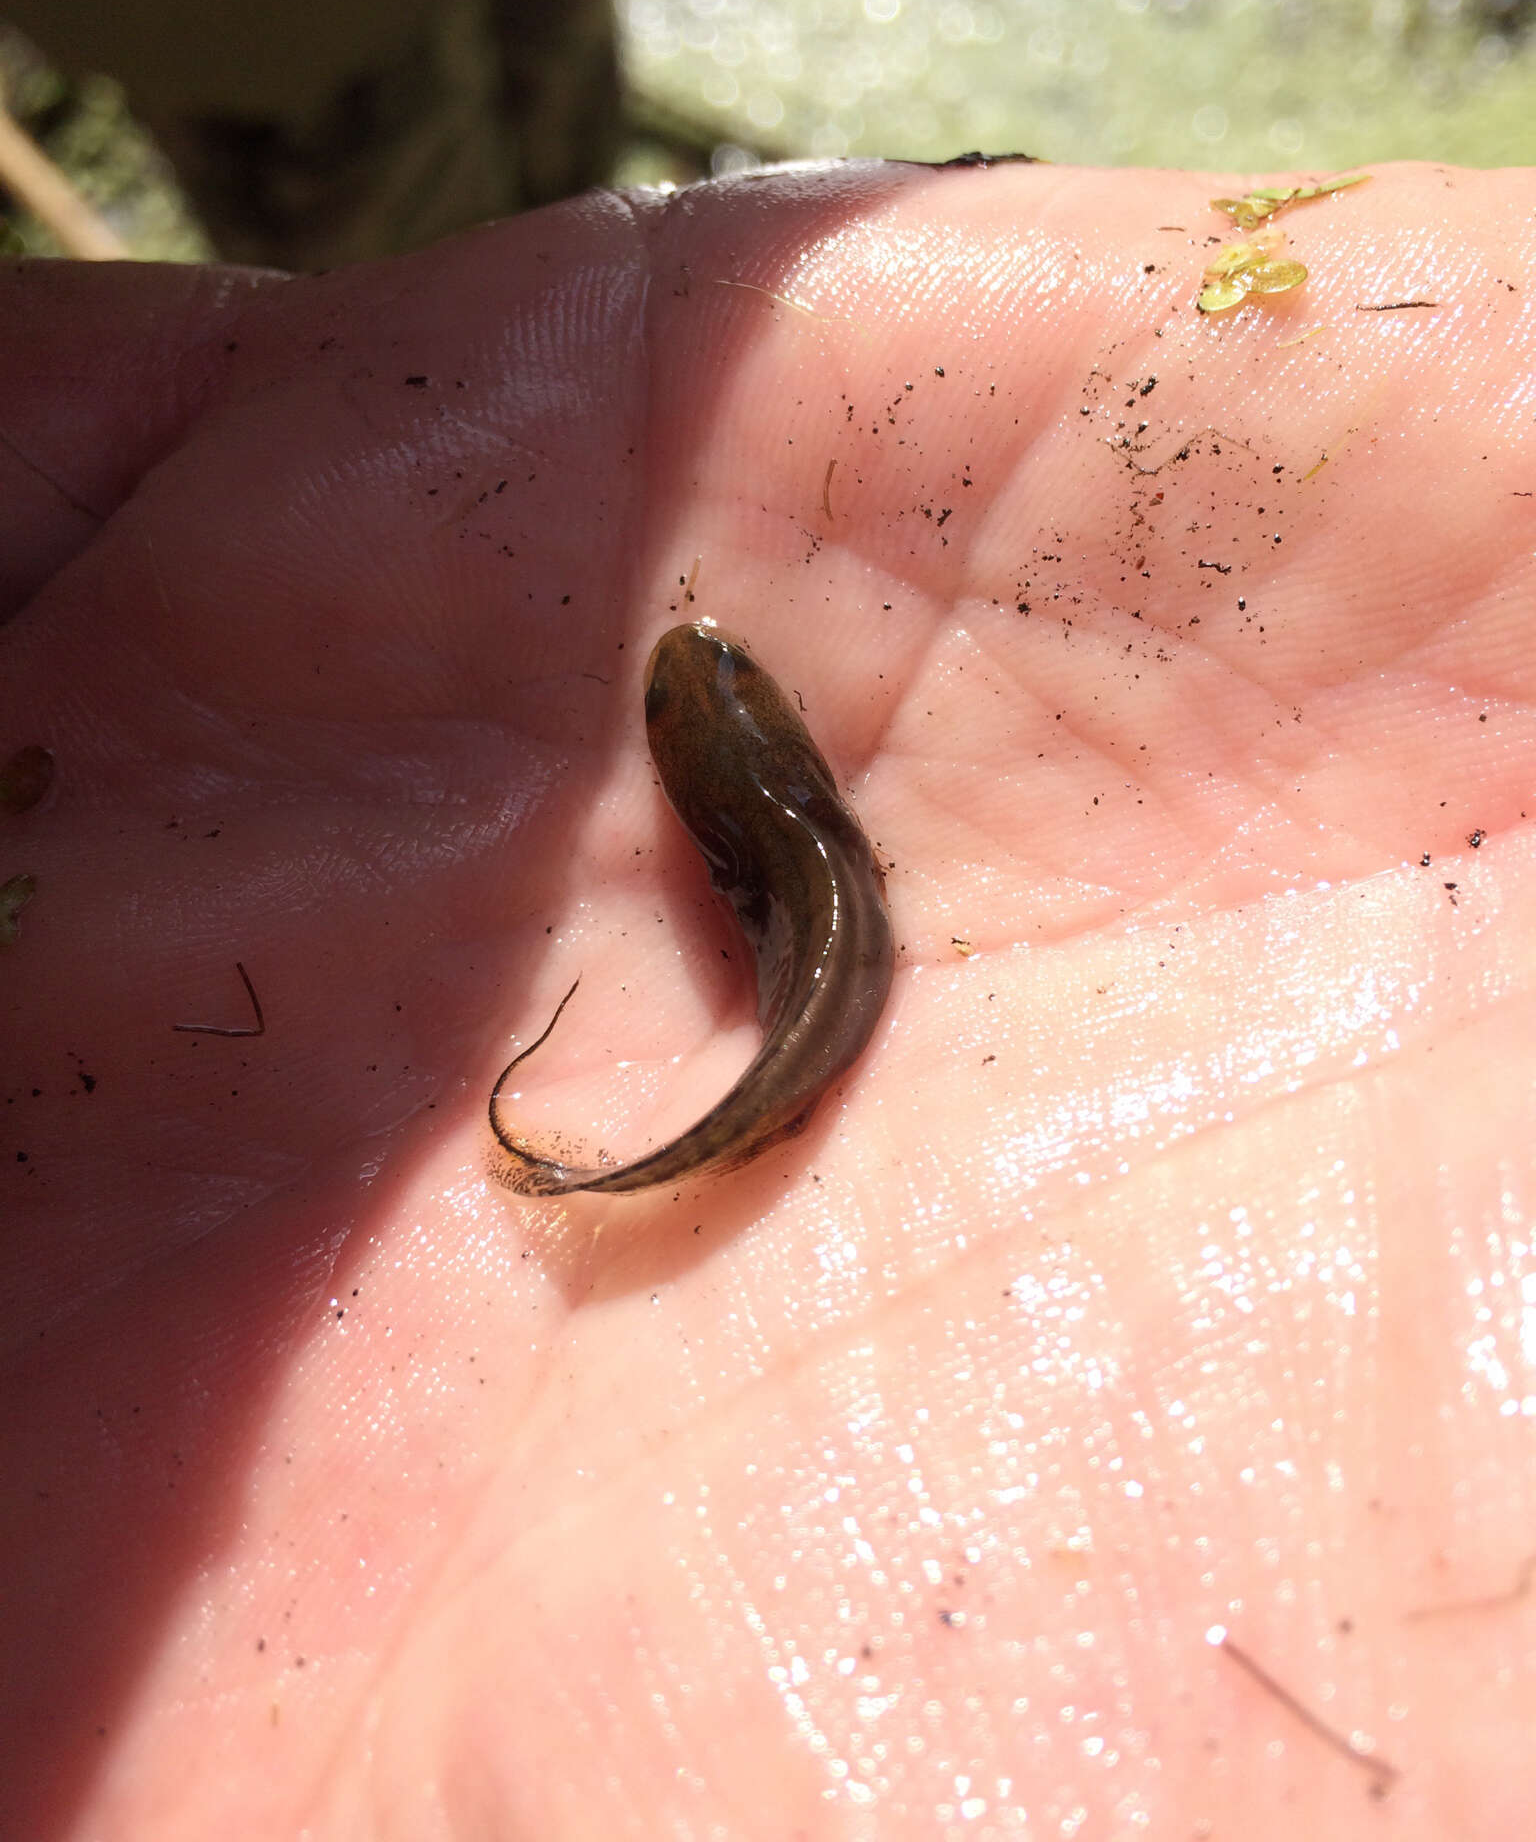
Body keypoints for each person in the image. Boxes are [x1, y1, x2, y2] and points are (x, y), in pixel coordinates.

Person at [3, 160, 1530, 1834]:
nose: (721, 675)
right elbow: (787, 844)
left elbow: (783, 846)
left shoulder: (768, 833)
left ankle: (632, 1168)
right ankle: (630, 1166)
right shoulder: (777, 829)